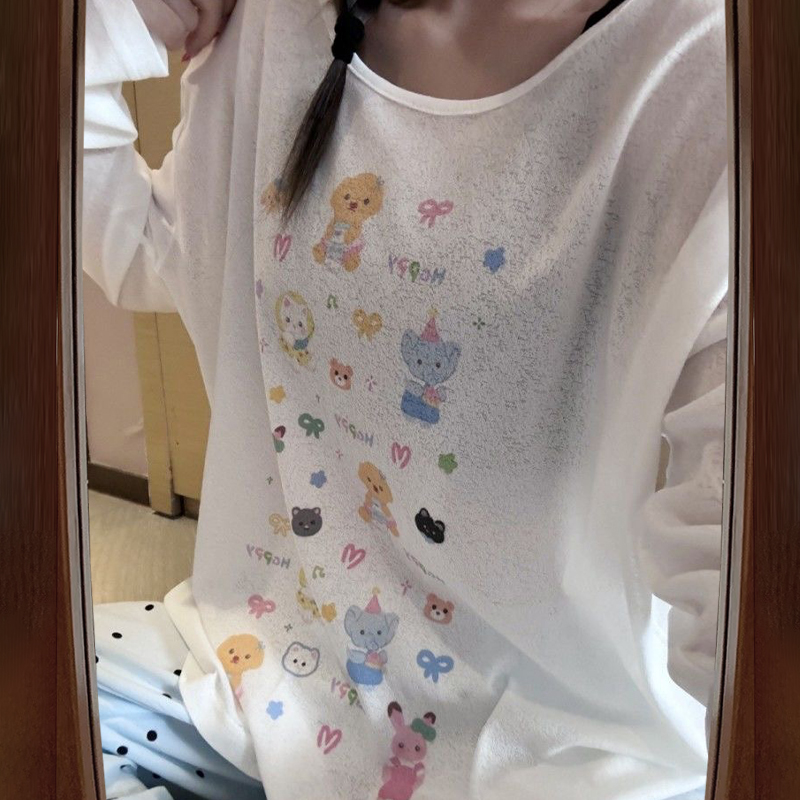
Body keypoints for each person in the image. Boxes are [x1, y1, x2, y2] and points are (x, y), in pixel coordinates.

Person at [83, 1, 730, 799]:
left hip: (568, 752)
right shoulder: (277, 22)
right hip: (267, 671)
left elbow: (735, 583)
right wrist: (118, 21)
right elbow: (140, 246)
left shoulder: (716, 72)